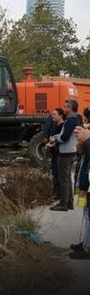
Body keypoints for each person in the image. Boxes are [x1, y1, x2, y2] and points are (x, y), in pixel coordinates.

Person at [50, 99, 79, 211]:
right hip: (70, 152)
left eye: (66, 107)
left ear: (70, 108)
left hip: (65, 154)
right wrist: (57, 137)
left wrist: (55, 140)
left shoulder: (70, 121)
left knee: (63, 180)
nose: (64, 108)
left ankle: (63, 204)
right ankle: (69, 203)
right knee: (66, 179)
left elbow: (64, 137)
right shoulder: (73, 120)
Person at [71, 125, 90, 259]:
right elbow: (81, 153)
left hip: (87, 183)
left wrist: (88, 139)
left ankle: (87, 248)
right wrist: (81, 141)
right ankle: (86, 242)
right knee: (86, 213)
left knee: (89, 215)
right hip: (84, 184)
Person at [45, 108, 65, 198]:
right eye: (52, 114)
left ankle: (60, 194)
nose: (52, 116)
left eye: (55, 114)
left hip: (59, 153)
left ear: (61, 115)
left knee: (58, 174)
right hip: (54, 153)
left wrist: (53, 143)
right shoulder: (54, 124)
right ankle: (56, 193)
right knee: (54, 173)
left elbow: (62, 139)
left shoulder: (63, 126)